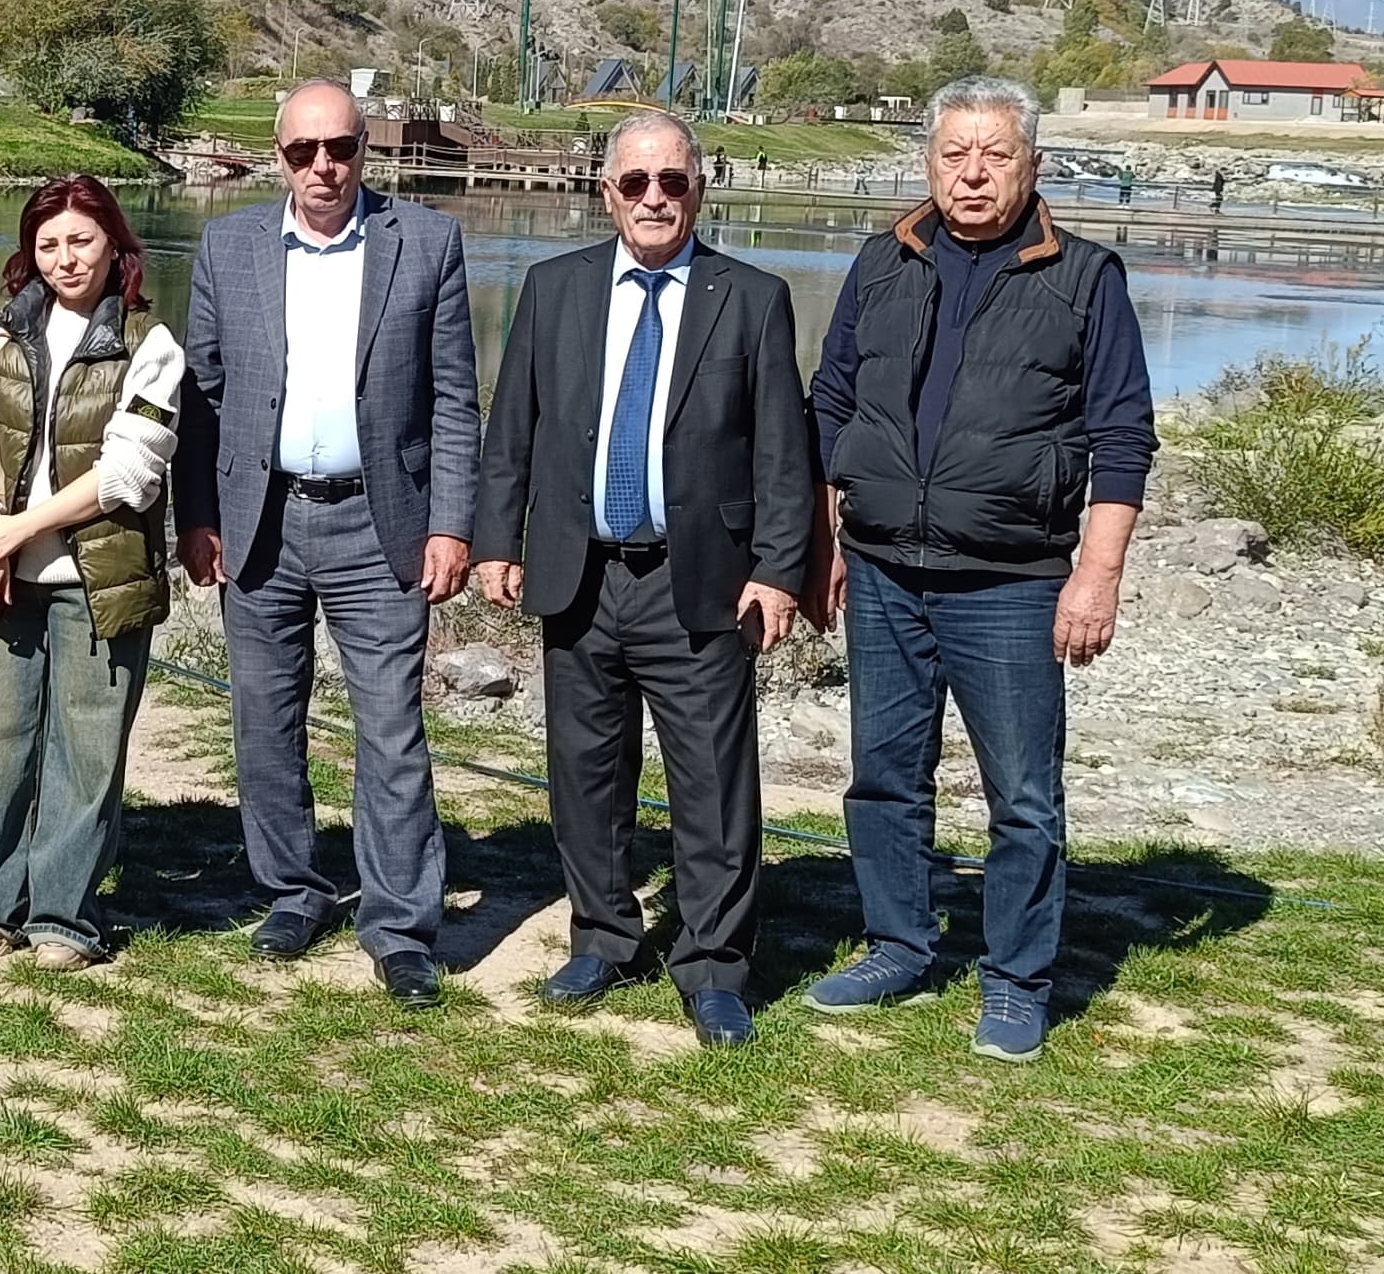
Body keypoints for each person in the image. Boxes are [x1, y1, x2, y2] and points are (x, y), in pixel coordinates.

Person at [803, 76, 1156, 1062]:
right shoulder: (882, 260)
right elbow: (828, 401)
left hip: (1010, 580)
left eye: (993, 153)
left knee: (1022, 796)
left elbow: (1122, 433)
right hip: (879, 569)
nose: (971, 171)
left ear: (1030, 164)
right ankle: (896, 942)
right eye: (953, 151)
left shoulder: (1082, 277)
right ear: (927, 160)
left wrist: (1097, 571)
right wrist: (827, 532)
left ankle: (1013, 978)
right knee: (881, 775)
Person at [469, 114, 815, 1048]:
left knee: (711, 784)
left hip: (698, 579)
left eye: (672, 180)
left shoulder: (752, 299)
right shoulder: (554, 289)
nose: (655, 197)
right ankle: (604, 936)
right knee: (585, 774)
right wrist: (496, 541)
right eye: (635, 182)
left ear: (700, 187)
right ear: (605, 189)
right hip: (580, 574)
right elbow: (514, 432)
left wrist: (781, 569)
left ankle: (712, 968)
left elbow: (786, 450)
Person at [172, 80, 482, 1009]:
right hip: (259, 518)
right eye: (304, 152)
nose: (323, 168)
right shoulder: (230, 246)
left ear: (364, 151)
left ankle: (398, 926)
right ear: (279, 157)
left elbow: (455, 399)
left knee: (391, 729)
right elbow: (203, 396)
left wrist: (452, 522)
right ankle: (293, 891)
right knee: (265, 720)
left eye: (340, 149)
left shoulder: (426, 242)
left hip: (375, 521)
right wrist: (197, 514)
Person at [0, 176, 188, 971]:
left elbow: (130, 473)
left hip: (99, 578)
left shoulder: (152, 344)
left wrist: (22, 529)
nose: (64, 258)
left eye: (80, 240)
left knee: (87, 751)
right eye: (48, 244)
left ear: (115, 243)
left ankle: (63, 917)